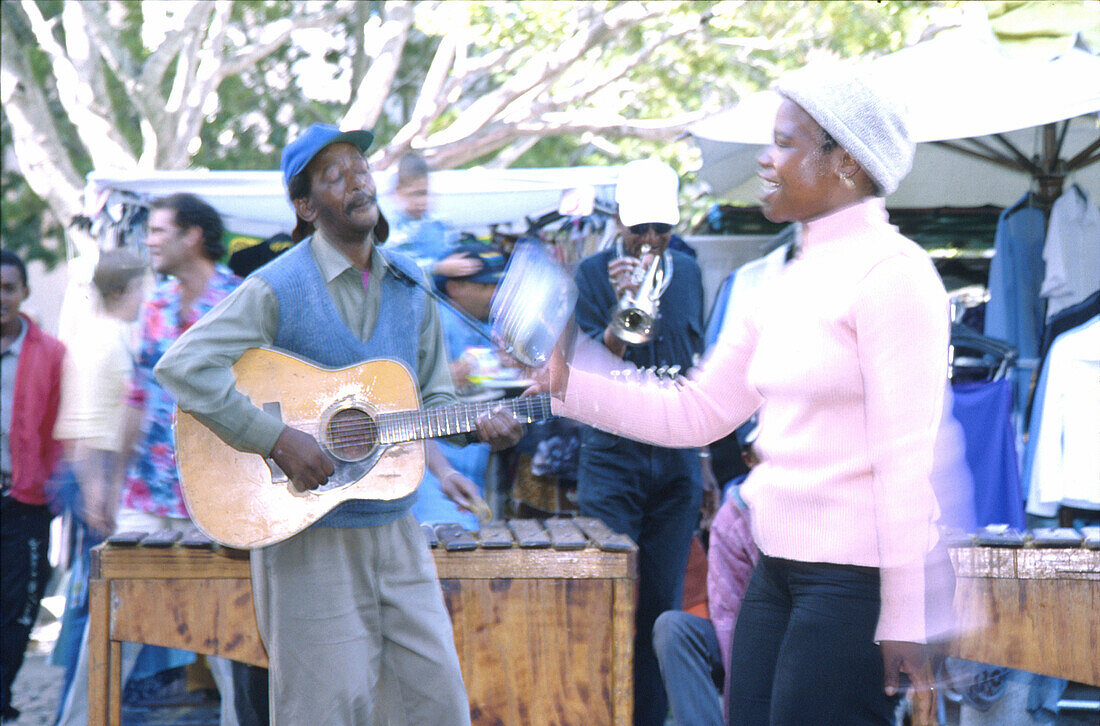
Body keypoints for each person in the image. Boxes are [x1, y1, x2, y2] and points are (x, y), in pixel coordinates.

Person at [535, 68, 947, 726]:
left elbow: (905, 464)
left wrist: (905, 613)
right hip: (775, 569)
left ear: (844, 163)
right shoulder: (785, 279)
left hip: (852, 580)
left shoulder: (895, 277)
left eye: (783, 142)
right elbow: (697, 411)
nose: (765, 157)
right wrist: (571, 381)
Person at [153, 123, 523, 725]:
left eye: (360, 167)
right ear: (305, 206)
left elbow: (431, 402)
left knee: (438, 707)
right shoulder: (277, 284)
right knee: (323, 711)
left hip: (398, 531)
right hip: (306, 541)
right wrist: (276, 437)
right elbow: (184, 366)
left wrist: (479, 425)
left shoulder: (411, 281)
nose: (356, 180)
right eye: (334, 175)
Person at [56, 193, 243, 726]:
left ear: (193, 237)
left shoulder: (241, 300)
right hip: (147, 493)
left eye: (160, 230)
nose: (150, 240)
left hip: (215, 498)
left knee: (229, 639)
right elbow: (139, 397)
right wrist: (109, 483)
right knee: (112, 624)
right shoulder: (156, 304)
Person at [572, 157, 707, 726]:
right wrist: (622, 313)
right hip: (614, 457)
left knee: (659, 610)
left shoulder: (692, 273)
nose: (650, 241)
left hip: (676, 460)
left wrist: (706, 465)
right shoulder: (590, 275)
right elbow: (588, 374)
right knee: (608, 603)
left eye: (661, 229)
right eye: (639, 228)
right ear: (620, 223)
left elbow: (697, 369)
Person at [50, 249, 148, 711]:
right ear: (126, 289)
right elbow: (86, 425)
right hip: (95, 473)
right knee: (98, 604)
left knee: (101, 603)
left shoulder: (112, 335)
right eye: (142, 287)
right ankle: (79, 709)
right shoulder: (104, 340)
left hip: (104, 472)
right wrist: (97, 491)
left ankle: (96, 705)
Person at [653, 426, 760, 726]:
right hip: (747, 640)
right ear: (748, 459)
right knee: (673, 628)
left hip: (803, 640)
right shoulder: (733, 514)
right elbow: (727, 618)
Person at [0, 249, 66, 725]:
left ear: (24, 293)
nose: (0, 297)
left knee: (19, 612)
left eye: (8, 288)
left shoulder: (50, 354)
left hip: (25, 503)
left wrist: (52, 488)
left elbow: (62, 430)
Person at [410, 241, 510, 528]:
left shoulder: (491, 325)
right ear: (454, 287)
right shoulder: (433, 319)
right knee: (446, 542)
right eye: (484, 286)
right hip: (431, 466)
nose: (494, 294)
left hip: (471, 463)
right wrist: (443, 376)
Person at [386, 151, 482, 279]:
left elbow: (451, 250)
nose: (421, 202)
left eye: (424, 193)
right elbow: (395, 267)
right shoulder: (391, 229)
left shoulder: (438, 223)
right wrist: (438, 268)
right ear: (398, 192)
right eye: (414, 194)